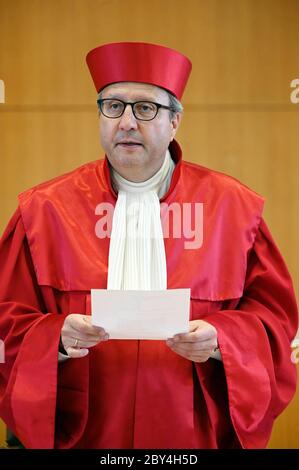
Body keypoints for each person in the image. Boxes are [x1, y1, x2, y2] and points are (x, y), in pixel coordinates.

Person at [0, 41, 297, 449]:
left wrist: (223, 339)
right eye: (113, 106)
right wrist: (55, 339)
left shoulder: (234, 207)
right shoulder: (43, 209)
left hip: (192, 430)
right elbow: (6, 319)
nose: (126, 122)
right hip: (84, 431)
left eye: (145, 108)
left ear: (175, 121)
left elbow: (276, 323)